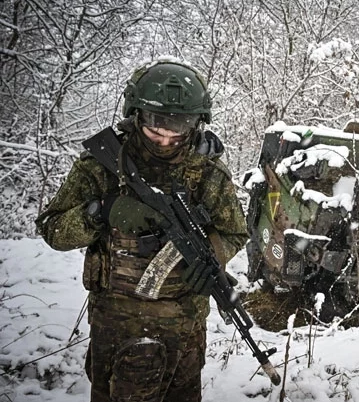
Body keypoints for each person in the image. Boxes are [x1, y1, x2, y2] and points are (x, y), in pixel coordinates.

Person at [36, 59, 249, 402]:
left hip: (185, 328)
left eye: (177, 130)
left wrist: (208, 256)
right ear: (135, 114)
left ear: (197, 124)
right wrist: (102, 211)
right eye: (154, 128)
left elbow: (236, 232)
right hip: (116, 326)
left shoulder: (207, 172)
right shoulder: (102, 165)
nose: (165, 140)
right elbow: (52, 228)